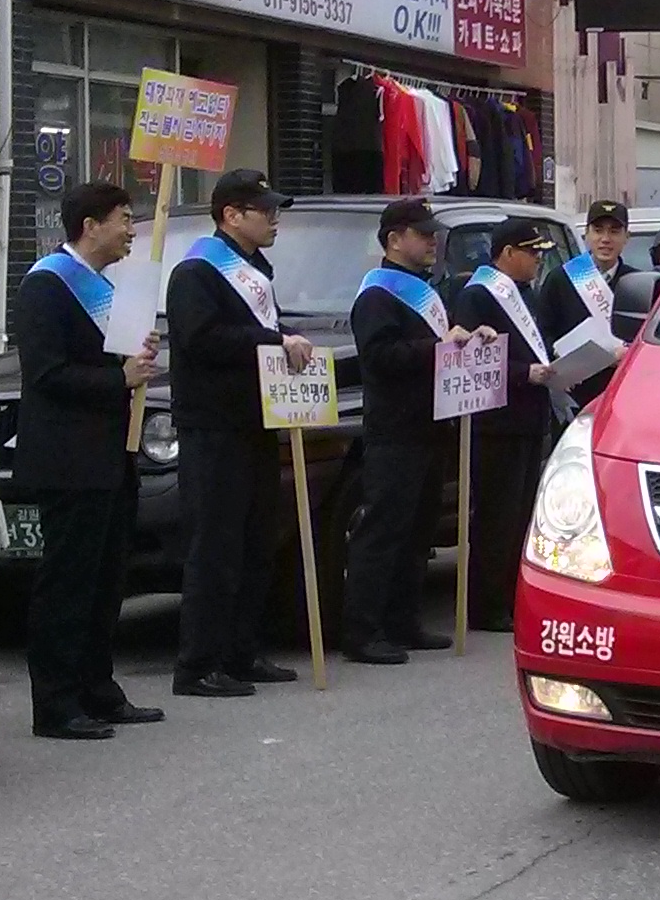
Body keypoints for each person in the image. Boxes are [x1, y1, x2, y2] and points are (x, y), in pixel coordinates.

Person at [8, 182, 161, 741]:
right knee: (68, 583)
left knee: (106, 582)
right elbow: (46, 374)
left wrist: (139, 357)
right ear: (90, 226)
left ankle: (99, 688)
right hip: (69, 460)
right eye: (123, 219)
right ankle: (56, 703)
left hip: (113, 457)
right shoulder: (46, 286)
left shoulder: (111, 286)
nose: (131, 230)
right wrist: (118, 378)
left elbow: (119, 359)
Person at [166, 169, 319, 699]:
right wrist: (273, 342)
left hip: (256, 422)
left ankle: (242, 651)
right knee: (215, 547)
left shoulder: (255, 268)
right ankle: (198, 664)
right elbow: (202, 339)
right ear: (232, 215)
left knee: (256, 543)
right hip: (214, 426)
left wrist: (282, 339)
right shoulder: (198, 272)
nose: (275, 220)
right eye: (265, 211)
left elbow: (259, 329)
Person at [343, 197, 476, 664]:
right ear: (395, 240)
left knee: (419, 531)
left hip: (430, 426)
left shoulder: (425, 289)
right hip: (395, 429)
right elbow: (381, 357)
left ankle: (403, 620)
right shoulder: (377, 296)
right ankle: (363, 630)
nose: (433, 241)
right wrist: (437, 347)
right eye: (423, 234)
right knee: (383, 530)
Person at [457, 217, 564, 632]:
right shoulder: (478, 296)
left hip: (528, 419)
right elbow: (470, 359)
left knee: (520, 516)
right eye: (532, 252)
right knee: (496, 517)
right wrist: (524, 373)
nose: (538, 260)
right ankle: (486, 603)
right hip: (495, 422)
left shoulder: (525, 293)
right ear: (507, 253)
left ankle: (510, 597)